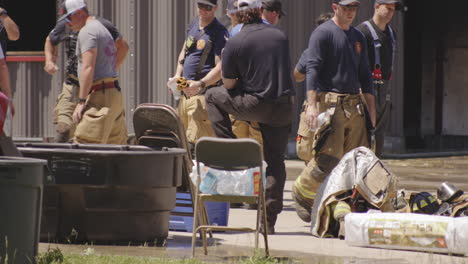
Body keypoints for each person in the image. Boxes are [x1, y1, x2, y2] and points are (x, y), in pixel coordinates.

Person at [205, 0, 295, 234]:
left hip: (256, 104)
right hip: (284, 107)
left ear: (235, 16)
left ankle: (230, 149)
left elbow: (228, 83)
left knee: (213, 95)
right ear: (260, 12)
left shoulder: (235, 41)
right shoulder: (280, 36)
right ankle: (268, 223)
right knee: (276, 161)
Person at [291, 0, 376, 223]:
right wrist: (311, 105)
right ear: (335, 6)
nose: (350, 12)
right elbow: (312, 69)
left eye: (353, 8)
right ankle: (302, 190)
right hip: (328, 102)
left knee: (355, 160)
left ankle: (340, 208)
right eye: (346, 7)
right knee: (328, 157)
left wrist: (371, 111)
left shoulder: (358, 37)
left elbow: (365, 75)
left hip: (354, 105)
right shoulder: (323, 33)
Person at [44, 11, 129, 143]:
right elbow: (50, 40)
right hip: (72, 85)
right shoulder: (66, 23)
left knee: (98, 136)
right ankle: (59, 160)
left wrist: (108, 71)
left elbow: (123, 46)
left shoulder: (101, 25)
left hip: (96, 88)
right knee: (64, 129)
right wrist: (49, 61)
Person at [168, 0, 228, 148]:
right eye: (200, 6)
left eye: (207, 7)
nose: (203, 10)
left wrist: (201, 84)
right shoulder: (195, 24)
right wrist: (177, 77)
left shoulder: (219, 32)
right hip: (185, 94)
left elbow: (220, 67)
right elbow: (185, 51)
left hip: (201, 96)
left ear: (215, 8)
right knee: (181, 142)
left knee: (197, 144)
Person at [356, 0, 401, 157]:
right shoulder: (362, 32)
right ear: (376, 6)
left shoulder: (391, 33)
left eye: (392, 10)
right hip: (366, 89)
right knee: (364, 130)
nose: (390, 12)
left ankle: (375, 166)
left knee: (379, 133)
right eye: (387, 8)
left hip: (384, 88)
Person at [294, 12, 333, 163]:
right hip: (331, 105)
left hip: (317, 105)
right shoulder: (344, 47)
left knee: (309, 151)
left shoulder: (310, 51)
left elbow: (297, 75)